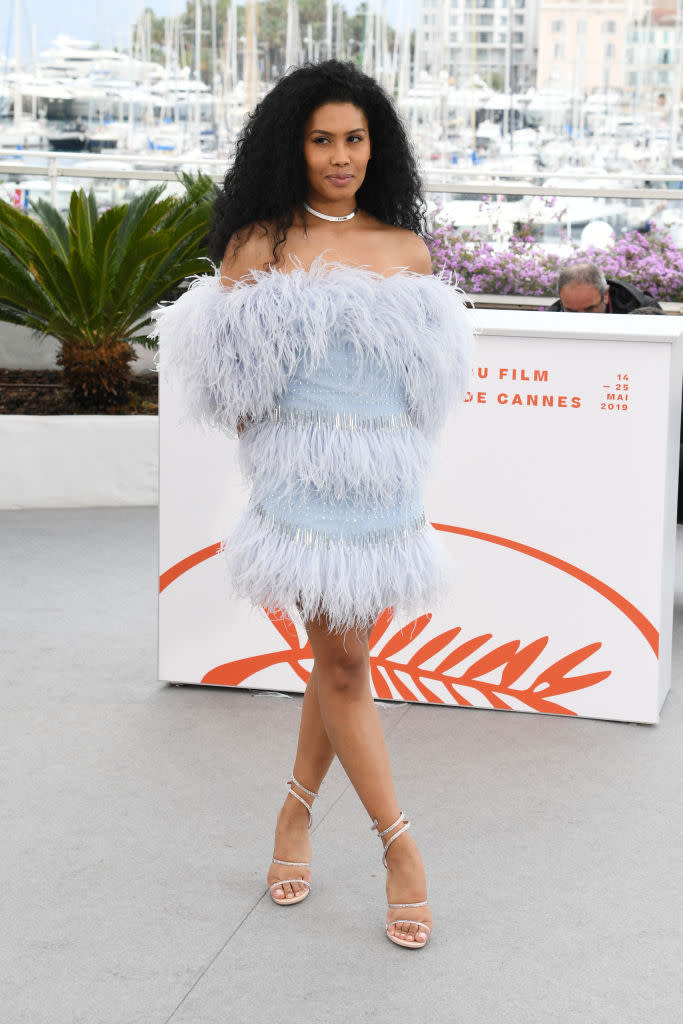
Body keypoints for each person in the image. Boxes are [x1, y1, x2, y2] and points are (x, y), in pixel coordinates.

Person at [154, 60, 473, 950]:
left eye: (356, 139)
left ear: (379, 146)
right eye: (323, 139)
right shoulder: (260, 244)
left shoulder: (405, 250)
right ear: (293, 145)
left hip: (384, 490)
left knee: (342, 662)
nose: (341, 157)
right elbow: (231, 384)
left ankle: (293, 817)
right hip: (302, 489)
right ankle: (398, 849)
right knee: (341, 666)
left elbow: (422, 386)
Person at [548, 262, 662, 313]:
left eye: (590, 309)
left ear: (606, 295)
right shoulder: (552, 317)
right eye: (571, 311)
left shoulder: (644, 308)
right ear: (562, 303)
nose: (581, 320)